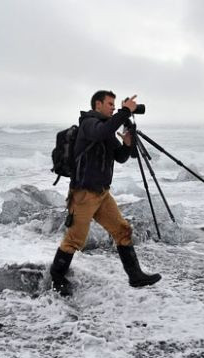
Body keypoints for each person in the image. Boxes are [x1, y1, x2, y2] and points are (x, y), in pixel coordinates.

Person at [50, 90, 162, 296]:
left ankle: (135, 276)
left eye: (114, 104)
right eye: (110, 104)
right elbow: (101, 133)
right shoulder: (89, 124)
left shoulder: (106, 130)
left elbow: (119, 157)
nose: (113, 107)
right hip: (83, 194)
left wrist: (127, 144)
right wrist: (125, 111)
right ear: (98, 104)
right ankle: (57, 279)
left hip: (102, 194)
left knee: (122, 230)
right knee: (75, 239)